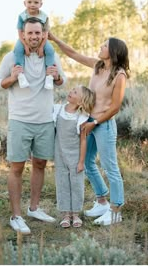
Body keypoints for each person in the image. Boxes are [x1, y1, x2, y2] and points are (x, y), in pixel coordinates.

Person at [0, 17, 66, 234]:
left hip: (44, 121)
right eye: (30, 33)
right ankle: (16, 216)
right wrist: (11, 78)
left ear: (43, 34)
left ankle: (34, 208)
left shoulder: (51, 57)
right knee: (16, 168)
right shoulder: (11, 58)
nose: (34, 36)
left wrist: (58, 77)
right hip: (20, 121)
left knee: (40, 164)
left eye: (37, 33)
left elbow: (64, 82)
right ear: (23, 35)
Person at [49, 32, 130, 226]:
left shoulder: (119, 76)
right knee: (85, 162)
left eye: (104, 46)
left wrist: (95, 122)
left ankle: (116, 210)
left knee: (110, 167)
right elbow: (73, 54)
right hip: (89, 121)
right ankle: (102, 201)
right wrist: (55, 38)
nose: (101, 47)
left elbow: (115, 107)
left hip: (103, 124)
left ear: (113, 52)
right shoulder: (97, 65)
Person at [53, 85, 96, 228]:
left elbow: (83, 140)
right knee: (62, 183)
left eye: (75, 92)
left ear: (80, 101)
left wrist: (81, 161)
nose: (71, 91)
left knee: (76, 184)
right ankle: (66, 214)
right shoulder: (58, 110)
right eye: (72, 89)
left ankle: (76, 214)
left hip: (75, 156)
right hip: (60, 155)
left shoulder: (81, 117)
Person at [15, 0, 55, 90]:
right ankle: (20, 75)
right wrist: (25, 45)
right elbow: (20, 32)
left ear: (41, 4)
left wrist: (42, 47)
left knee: (50, 50)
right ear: (24, 3)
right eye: (29, 2)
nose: (32, 4)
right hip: (24, 39)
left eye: (36, 2)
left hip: (41, 40)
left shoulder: (44, 17)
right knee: (18, 50)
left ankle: (49, 76)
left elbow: (45, 33)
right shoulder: (22, 16)